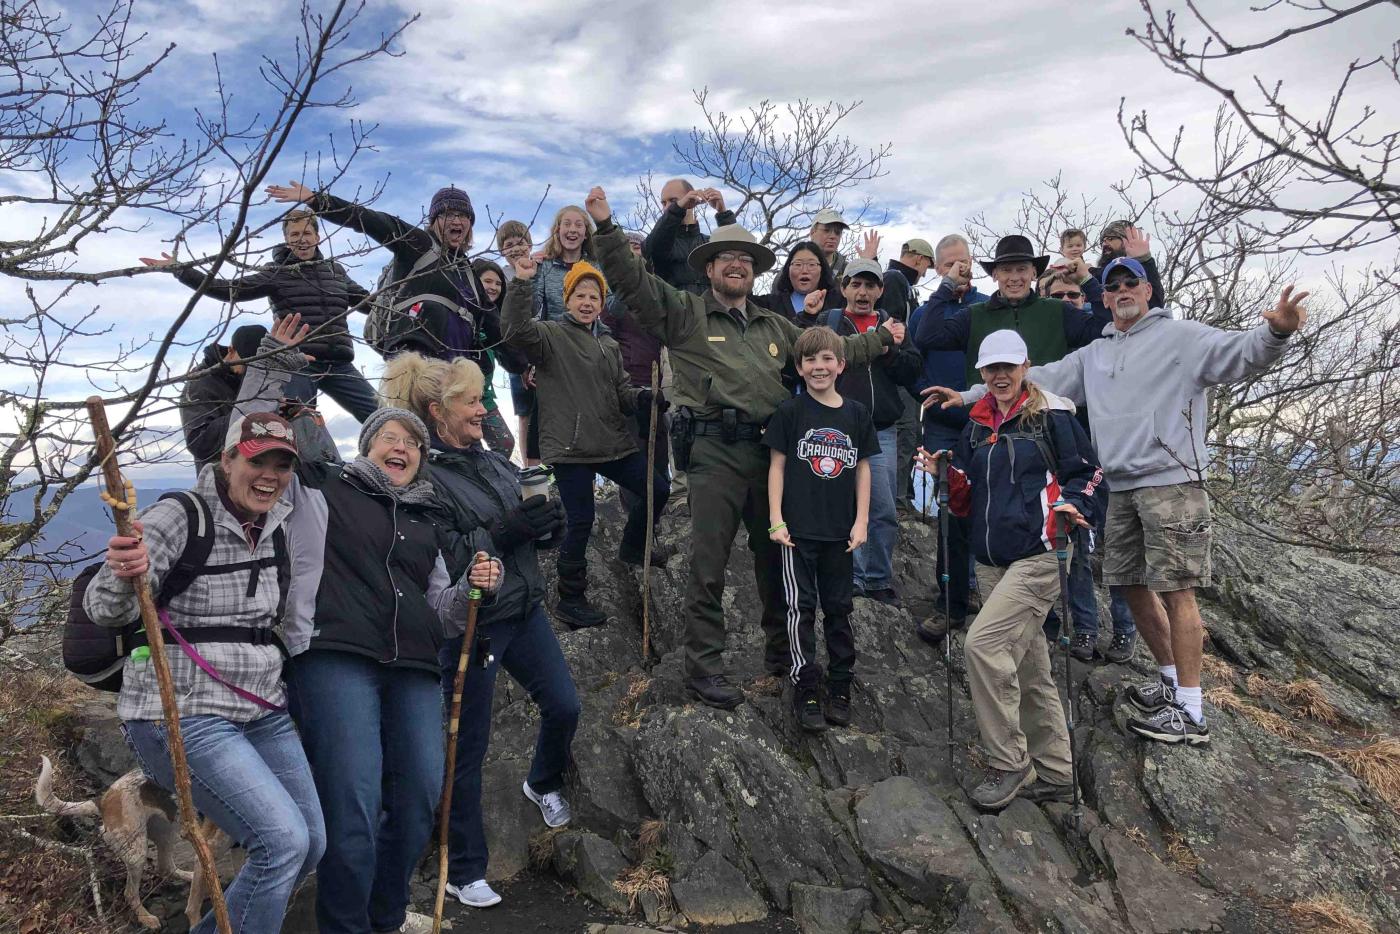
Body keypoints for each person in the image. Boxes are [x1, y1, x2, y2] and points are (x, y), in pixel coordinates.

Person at [924, 261, 1309, 746]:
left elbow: (1239, 354)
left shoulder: (1182, 337)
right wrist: (966, 395)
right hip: (1118, 485)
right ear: (1103, 297)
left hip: (1172, 478)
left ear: (1148, 289)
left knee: (1177, 589)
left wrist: (1275, 332)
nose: (1123, 291)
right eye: (1114, 286)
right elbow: (1032, 379)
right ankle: (1170, 682)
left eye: (1132, 283)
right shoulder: (1095, 354)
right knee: (1127, 584)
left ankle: (1191, 711)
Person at [584, 185, 904, 710]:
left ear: (754, 271)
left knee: (777, 557)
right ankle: (703, 669)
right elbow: (631, 282)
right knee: (707, 564)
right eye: (725, 258)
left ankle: (782, 657)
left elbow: (831, 350)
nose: (735, 265)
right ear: (708, 268)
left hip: (770, 456)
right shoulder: (683, 314)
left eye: (744, 259)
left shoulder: (773, 325)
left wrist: (883, 339)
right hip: (710, 454)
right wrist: (606, 229)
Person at [232, 315, 502, 934]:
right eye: (391, 437)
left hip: (412, 667)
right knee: (353, 807)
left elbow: (443, 613)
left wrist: (469, 590)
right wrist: (273, 363)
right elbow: (248, 435)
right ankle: (345, 925)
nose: (402, 445)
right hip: (333, 657)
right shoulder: (321, 492)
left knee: (418, 803)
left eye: (413, 441)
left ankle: (384, 918)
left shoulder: (429, 520)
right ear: (369, 446)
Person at [87, 410, 326, 932]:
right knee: (281, 842)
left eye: (281, 464)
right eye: (256, 459)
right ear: (227, 458)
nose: (269, 474)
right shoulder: (181, 515)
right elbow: (105, 608)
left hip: (261, 709)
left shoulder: (278, 525)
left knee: (309, 842)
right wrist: (123, 570)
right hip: (184, 710)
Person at [380, 352, 578, 912]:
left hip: (523, 609)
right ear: (439, 412)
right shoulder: (424, 477)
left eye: (483, 399)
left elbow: (525, 520)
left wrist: (547, 527)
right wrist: (507, 531)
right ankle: (462, 869)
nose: (483, 409)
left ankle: (541, 782)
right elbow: (441, 559)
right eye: (472, 401)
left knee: (564, 706)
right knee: (466, 747)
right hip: (472, 624)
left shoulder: (491, 461)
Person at [914, 328, 1103, 811]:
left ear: (1025, 368)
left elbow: (1088, 473)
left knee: (982, 644)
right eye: (991, 368)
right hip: (991, 559)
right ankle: (1057, 773)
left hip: (1042, 553)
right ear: (981, 373)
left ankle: (1009, 762)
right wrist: (945, 474)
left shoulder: (1054, 414)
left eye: (1008, 367)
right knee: (1030, 666)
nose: (1000, 376)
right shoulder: (976, 424)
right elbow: (968, 496)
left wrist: (1074, 504)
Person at [502, 256, 671, 628]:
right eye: (580, 295)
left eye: (594, 296)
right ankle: (571, 598)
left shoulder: (608, 345)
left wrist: (644, 398)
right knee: (581, 521)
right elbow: (513, 330)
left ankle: (632, 546)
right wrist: (521, 283)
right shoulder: (548, 335)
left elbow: (622, 391)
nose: (587, 302)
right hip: (569, 446)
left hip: (611, 439)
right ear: (567, 298)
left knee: (657, 487)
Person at [141, 209, 379, 421]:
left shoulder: (335, 271)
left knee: (383, 417)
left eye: (306, 234)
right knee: (295, 424)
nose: (301, 240)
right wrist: (181, 271)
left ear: (317, 237)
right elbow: (229, 289)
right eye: (294, 235)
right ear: (287, 240)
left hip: (340, 363)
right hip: (299, 362)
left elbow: (371, 303)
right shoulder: (276, 273)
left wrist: (407, 300)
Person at [766, 326, 878, 732]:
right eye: (810, 359)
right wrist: (776, 519)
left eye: (827, 358)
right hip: (796, 532)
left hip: (841, 533)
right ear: (799, 367)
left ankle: (841, 684)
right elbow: (776, 467)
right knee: (800, 608)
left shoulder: (856, 413)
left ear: (841, 364)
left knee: (840, 609)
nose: (819, 366)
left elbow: (863, 469)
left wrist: (862, 520)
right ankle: (806, 686)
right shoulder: (790, 412)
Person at [266, 180, 497, 364]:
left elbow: (496, 326)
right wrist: (317, 201)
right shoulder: (417, 243)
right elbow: (367, 218)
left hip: (459, 375)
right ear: (434, 220)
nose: (457, 220)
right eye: (448, 214)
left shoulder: (468, 273)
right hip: (414, 364)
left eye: (463, 215)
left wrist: (523, 364)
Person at [1033, 267, 1137, 661]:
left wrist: (1094, 285)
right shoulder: (1053, 352)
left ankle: (1125, 630)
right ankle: (1085, 629)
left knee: (1120, 553)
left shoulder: (1105, 343)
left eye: (1073, 295)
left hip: (1115, 460)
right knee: (1074, 548)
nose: (1066, 302)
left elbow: (1125, 312)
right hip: (1066, 461)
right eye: (1056, 297)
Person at [816, 258, 921, 606]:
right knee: (845, 507)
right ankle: (854, 577)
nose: (863, 292)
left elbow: (911, 371)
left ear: (880, 291)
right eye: (856, 285)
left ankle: (878, 578)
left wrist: (889, 347)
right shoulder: (831, 322)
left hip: (882, 431)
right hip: (837, 430)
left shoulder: (894, 326)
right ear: (844, 287)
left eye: (870, 285)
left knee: (883, 508)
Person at [908, 234, 985, 643]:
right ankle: (950, 596)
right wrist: (931, 395)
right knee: (951, 510)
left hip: (985, 420)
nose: (961, 268)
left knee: (987, 505)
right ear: (939, 268)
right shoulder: (927, 311)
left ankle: (977, 587)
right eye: (952, 263)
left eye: (966, 261)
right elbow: (916, 350)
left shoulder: (984, 305)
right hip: (943, 423)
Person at [878, 238, 936, 515]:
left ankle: (903, 493)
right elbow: (893, 329)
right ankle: (898, 498)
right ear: (917, 258)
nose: (926, 270)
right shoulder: (895, 280)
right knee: (905, 431)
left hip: (904, 373)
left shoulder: (902, 284)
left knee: (910, 432)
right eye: (927, 263)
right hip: (898, 374)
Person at [179, 324, 268, 469]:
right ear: (231, 350)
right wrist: (253, 413)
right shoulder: (200, 383)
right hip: (220, 481)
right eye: (247, 362)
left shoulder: (256, 380)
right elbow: (200, 443)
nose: (250, 369)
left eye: (257, 364)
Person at [643, 179, 737, 294]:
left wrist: (723, 214)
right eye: (664, 203)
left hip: (712, 309)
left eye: (673, 201)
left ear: (692, 198)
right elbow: (653, 249)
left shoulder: (709, 242)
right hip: (673, 309)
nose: (667, 207)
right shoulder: (659, 241)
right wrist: (676, 210)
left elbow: (737, 253)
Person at [470, 258, 521, 460]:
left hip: (486, 398)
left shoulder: (496, 319)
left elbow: (508, 354)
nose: (493, 287)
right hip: (463, 399)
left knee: (505, 443)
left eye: (498, 283)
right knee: (468, 447)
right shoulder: (464, 316)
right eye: (488, 281)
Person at [497, 221, 538, 462]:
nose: (515, 248)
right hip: (517, 352)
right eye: (508, 244)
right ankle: (531, 465)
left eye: (520, 242)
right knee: (525, 412)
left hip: (543, 344)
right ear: (502, 250)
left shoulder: (541, 268)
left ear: (530, 244)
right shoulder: (500, 276)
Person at [753, 241, 844, 319]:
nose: (804, 270)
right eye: (798, 264)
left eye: (811, 264)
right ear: (788, 270)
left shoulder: (838, 302)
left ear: (822, 269)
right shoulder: (770, 305)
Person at [1091, 221, 1164, 308]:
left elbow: (1155, 302)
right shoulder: (1095, 275)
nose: (1104, 244)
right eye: (1102, 241)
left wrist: (1145, 260)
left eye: (1110, 239)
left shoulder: (1141, 269)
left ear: (1125, 241)